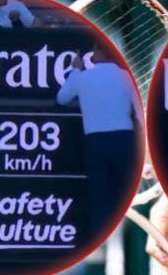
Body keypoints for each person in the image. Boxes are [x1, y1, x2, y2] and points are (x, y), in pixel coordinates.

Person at [56, 40, 141, 238]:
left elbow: (61, 99)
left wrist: (76, 71)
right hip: (124, 141)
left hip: (96, 143)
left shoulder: (82, 78)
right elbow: (139, 112)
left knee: (99, 199)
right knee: (128, 196)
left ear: (96, 50)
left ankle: (101, 242)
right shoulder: (128, 77)